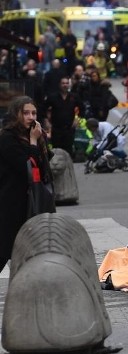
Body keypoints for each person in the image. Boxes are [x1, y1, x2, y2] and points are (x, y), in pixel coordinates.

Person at [0, 96, 52, 272]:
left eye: (34, 113)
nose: (31, 117)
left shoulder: (33, 135)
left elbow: (44, 167)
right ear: (16, 115)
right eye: (26, 113)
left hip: (31, 202)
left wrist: (40, 141)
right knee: (5, 250)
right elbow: (27, 166)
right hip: (10, 203)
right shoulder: (8, 138)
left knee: (28, 253)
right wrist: (33, 142)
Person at [44, 76, 83, 157]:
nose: (65, 85)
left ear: (69, 85)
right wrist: (46, 121)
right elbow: (43, 109)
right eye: (63, 83)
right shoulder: (52, 97)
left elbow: (82, 108)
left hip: (69, 127)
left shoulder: (74, 97)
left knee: (68, 149)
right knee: (56, 149)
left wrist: (77, 119)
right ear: (59, 85)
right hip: (56, 127)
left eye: (67, 83)